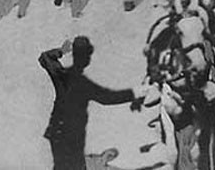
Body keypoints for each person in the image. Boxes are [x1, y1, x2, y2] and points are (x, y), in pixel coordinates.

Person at [40, 36, 145, 170]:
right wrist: (136, 93)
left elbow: (45, 58)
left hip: (58, 132)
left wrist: (61, 51)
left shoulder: (62, 75)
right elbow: (107, 98)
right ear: (85, 58)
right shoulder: (82, 83)